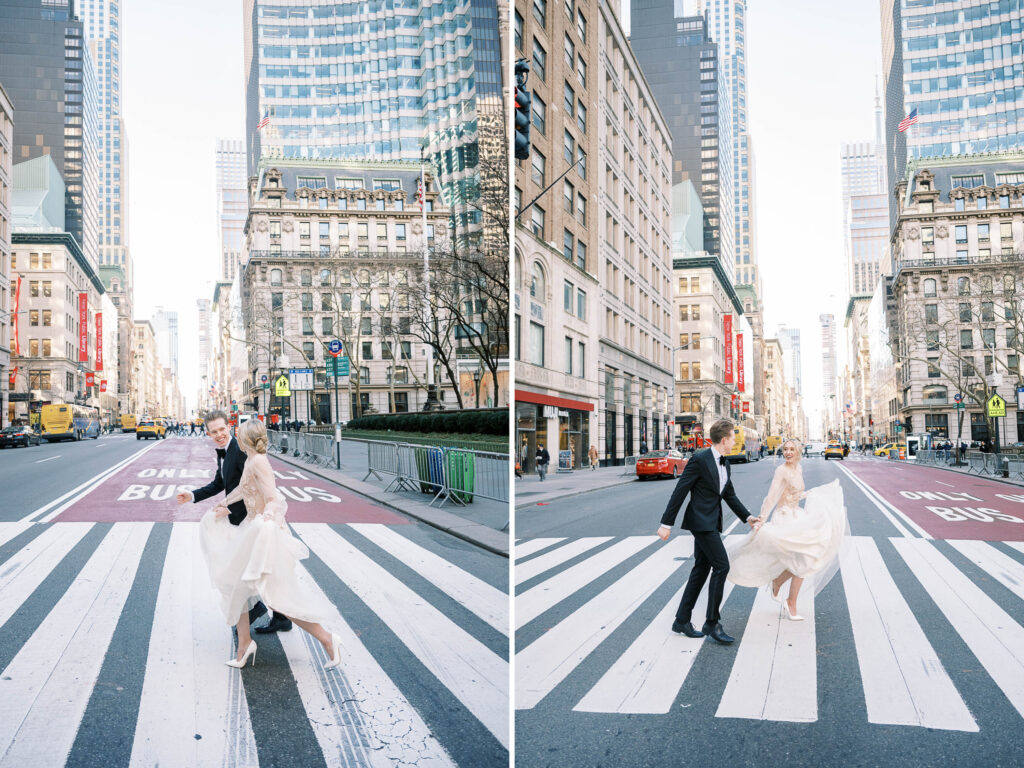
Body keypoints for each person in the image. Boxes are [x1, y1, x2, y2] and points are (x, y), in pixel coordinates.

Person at [194, 418, 343, 669]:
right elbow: (241, 491)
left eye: (238, 434)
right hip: (250, 531)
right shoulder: (251, 460)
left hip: (263, 533)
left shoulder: (260, 462)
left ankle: (327, 639)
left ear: (246, 439)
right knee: (235, 587)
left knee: (277, 598)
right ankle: (244, 646)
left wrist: (267, 517)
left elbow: (273, 498)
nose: (234, 436)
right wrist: (223, 505)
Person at [176, 411, 294, 636]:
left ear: (228, 427)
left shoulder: (242, 451)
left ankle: (264, 611)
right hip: (240, 517)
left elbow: (253, 489)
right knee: (248, 570)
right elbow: (220, 483)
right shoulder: (224, 452)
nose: (219, 434)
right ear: (208, 433)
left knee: (248, 570)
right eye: (214, 431)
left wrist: (229, 507)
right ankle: (274, 614)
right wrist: (192, 495)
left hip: (250, 518)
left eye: (222, 429)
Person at [657, 419, 760, 645]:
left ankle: (682, 620)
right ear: (724, 440)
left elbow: (729, 494)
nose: (735, 442)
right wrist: (666, 524)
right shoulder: (700, 459)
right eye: (733, 438)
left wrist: (748, 517)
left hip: (712, 522)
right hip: (701, 523)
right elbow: (680, 490)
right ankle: (712, 623)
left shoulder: (725, 462)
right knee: (722, 565)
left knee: (701, 568)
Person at [726, 439, 847, 621]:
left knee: (807, 557)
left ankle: (778, 583)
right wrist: (761, 519)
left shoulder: (798, 468)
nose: (788, 452)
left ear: (798, 451)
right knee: (802, 560)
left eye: (791, 449)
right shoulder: (781, 471)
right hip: (783, 517)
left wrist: (812, 494)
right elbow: (772, 496)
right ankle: (790, 602)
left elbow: (796, 493)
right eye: (785, 449)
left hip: (797, 516)